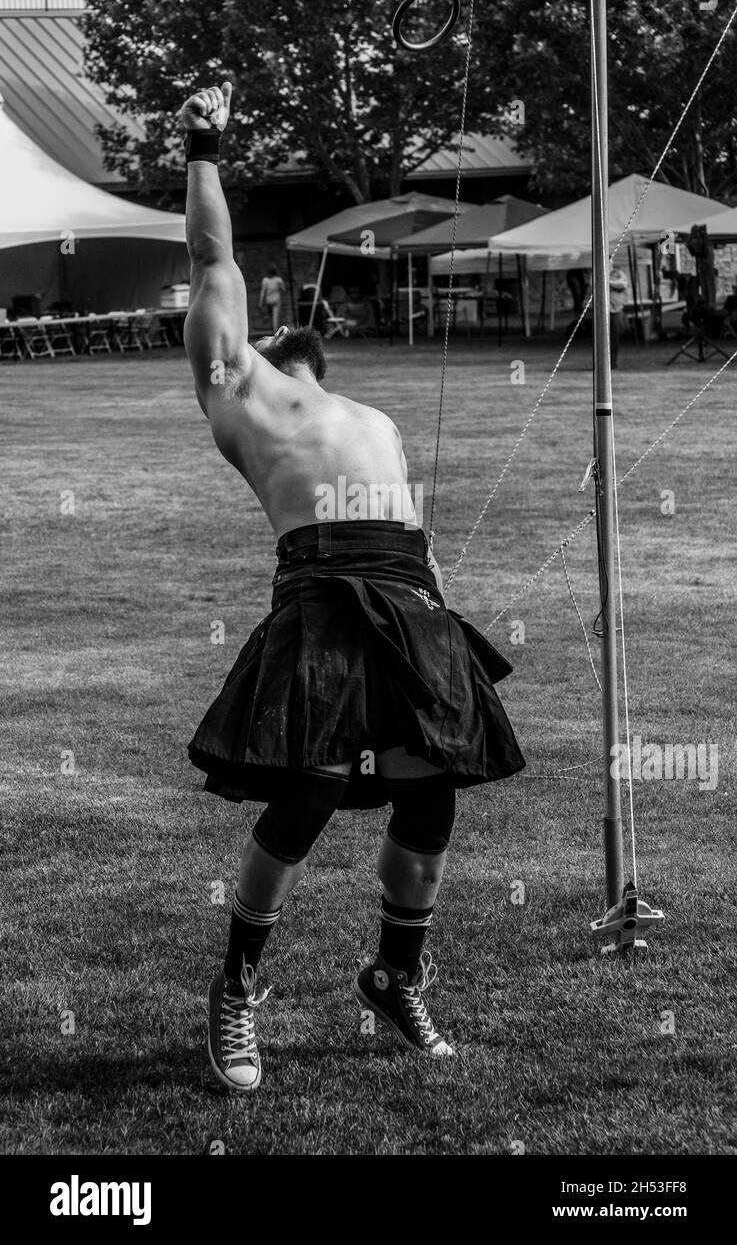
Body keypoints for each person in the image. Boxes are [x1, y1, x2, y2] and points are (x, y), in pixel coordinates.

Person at [181, 83, 525, 1093]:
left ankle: (393, 973)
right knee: (311, 790)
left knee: (431, 795)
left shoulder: (363, 409)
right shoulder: (235, 385)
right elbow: (210, 258)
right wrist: (204, 142)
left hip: (407, 590)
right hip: (324, 585)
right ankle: (237, 988)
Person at [608, 263, 628, 368]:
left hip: (616, 310)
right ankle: (601, 363)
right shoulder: (596, 273)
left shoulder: (618, 273)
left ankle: (613, 361)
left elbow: (622, 284)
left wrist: (607, 282)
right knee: (601, 339)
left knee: (615, 338)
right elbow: (593, 283)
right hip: (603, 311)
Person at [259, 267, 286, 333]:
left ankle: (274, 331)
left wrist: (260, 303)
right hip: (276, 300)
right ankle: (274, 331)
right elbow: (283, 289)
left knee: (272, 317)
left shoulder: (265, 280)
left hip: (269, 301)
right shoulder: (278, 280)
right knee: (274, 317)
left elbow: (263, 292)